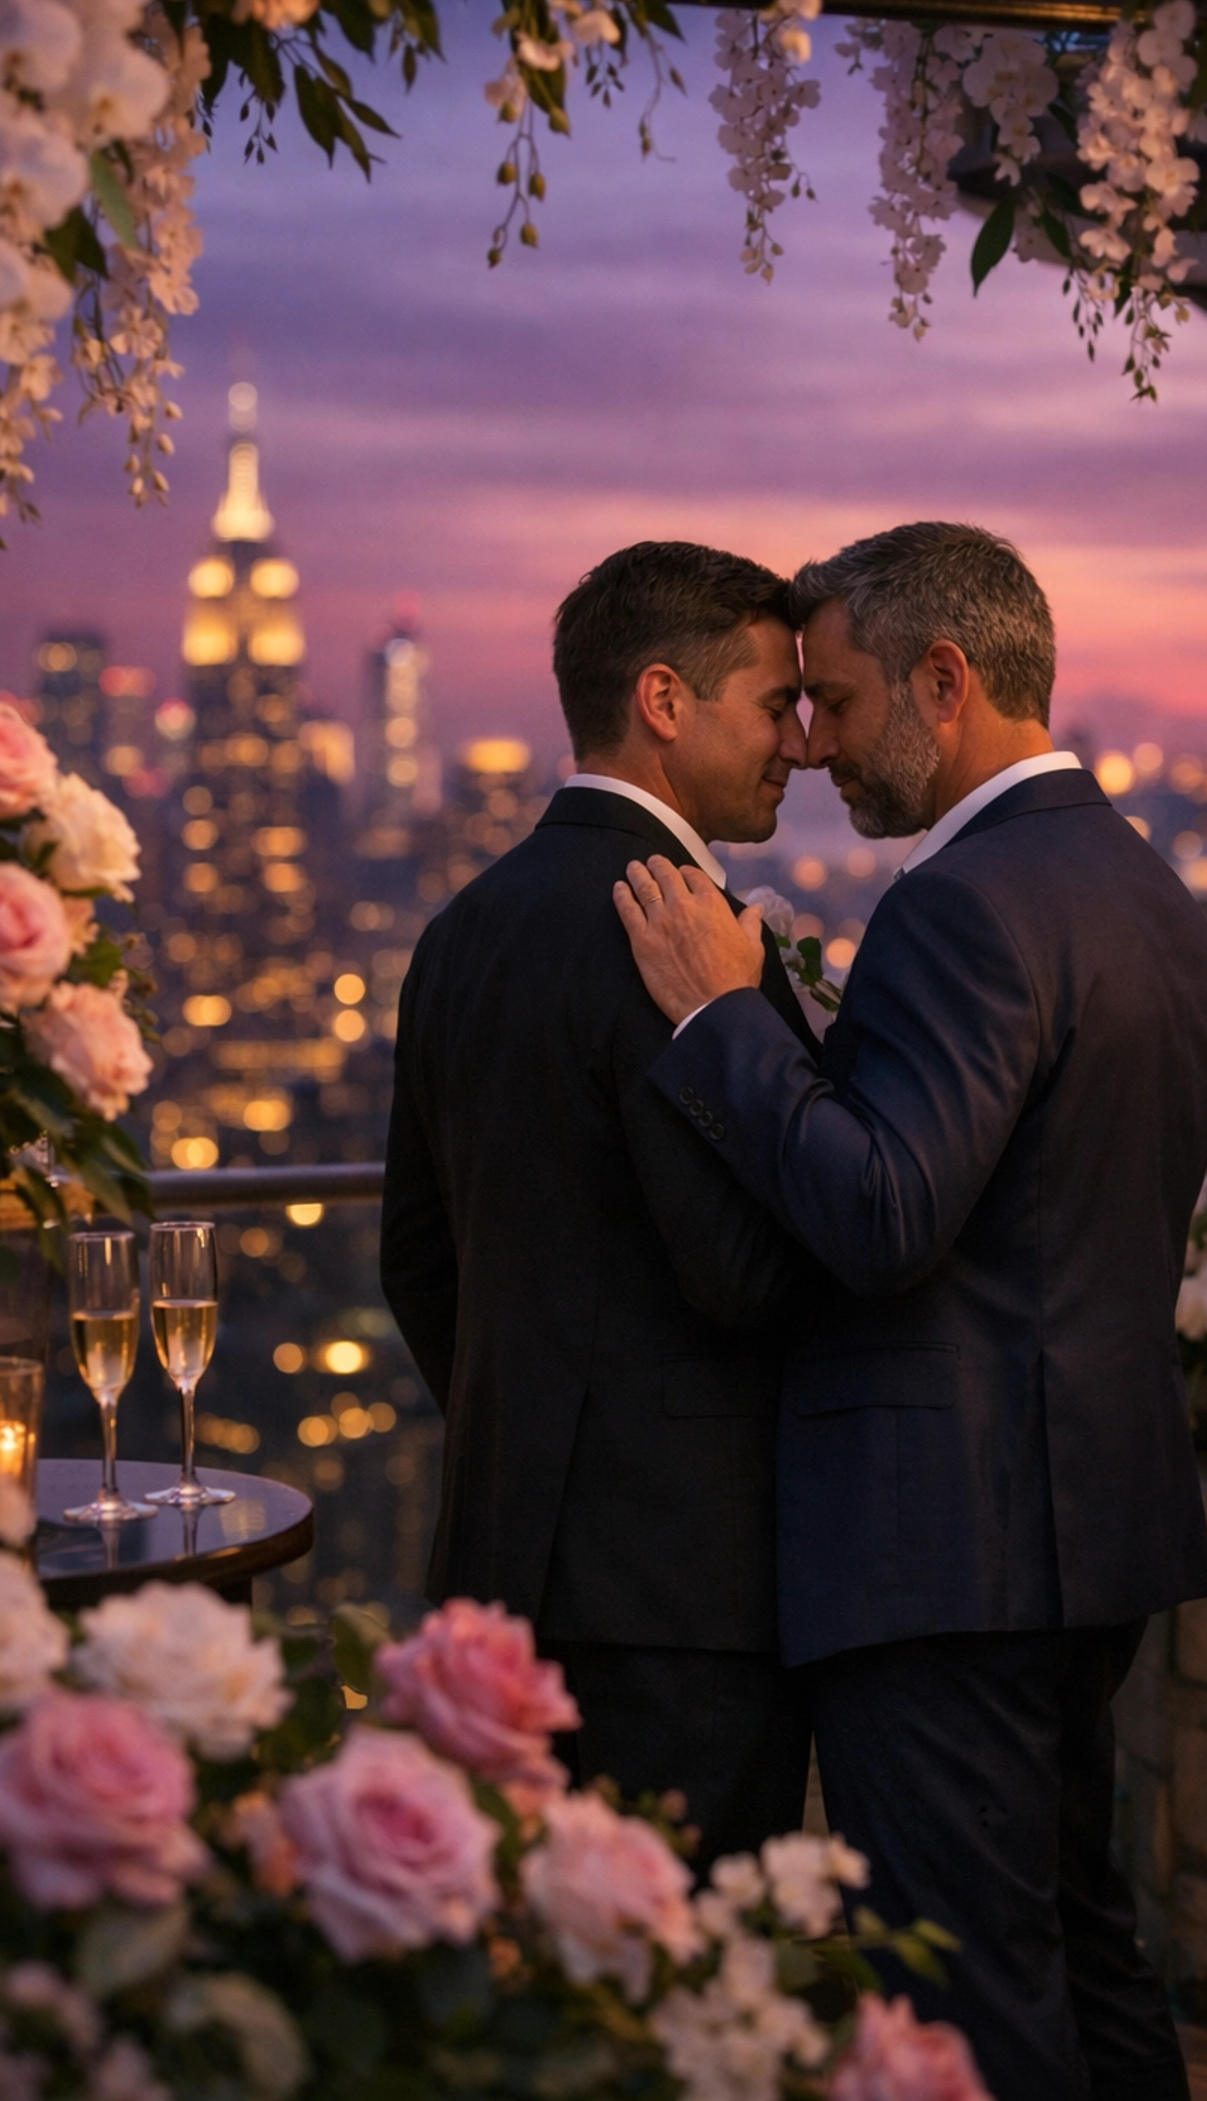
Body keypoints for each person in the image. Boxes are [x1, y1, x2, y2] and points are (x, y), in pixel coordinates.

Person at [614, 523, 1207, 2101]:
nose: (809, 747)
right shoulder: (1150, 890)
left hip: (946, 1544)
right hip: (1085, 1519)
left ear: (942, 684)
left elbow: (885, 1212)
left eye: (832, 700)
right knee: (1085, 1944)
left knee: (967, 1991)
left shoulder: (967, 904)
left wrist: (724, 1021)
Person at [381, 538, 819, 1863]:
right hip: (691, 1589)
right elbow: (745, 1269)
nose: (796, 744)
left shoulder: (463, 926)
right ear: (666, 701)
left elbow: (416, 1255)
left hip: (500, 1563)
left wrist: (535, 1431)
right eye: (773, 701)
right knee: (683, 1991)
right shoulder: (684, 934)